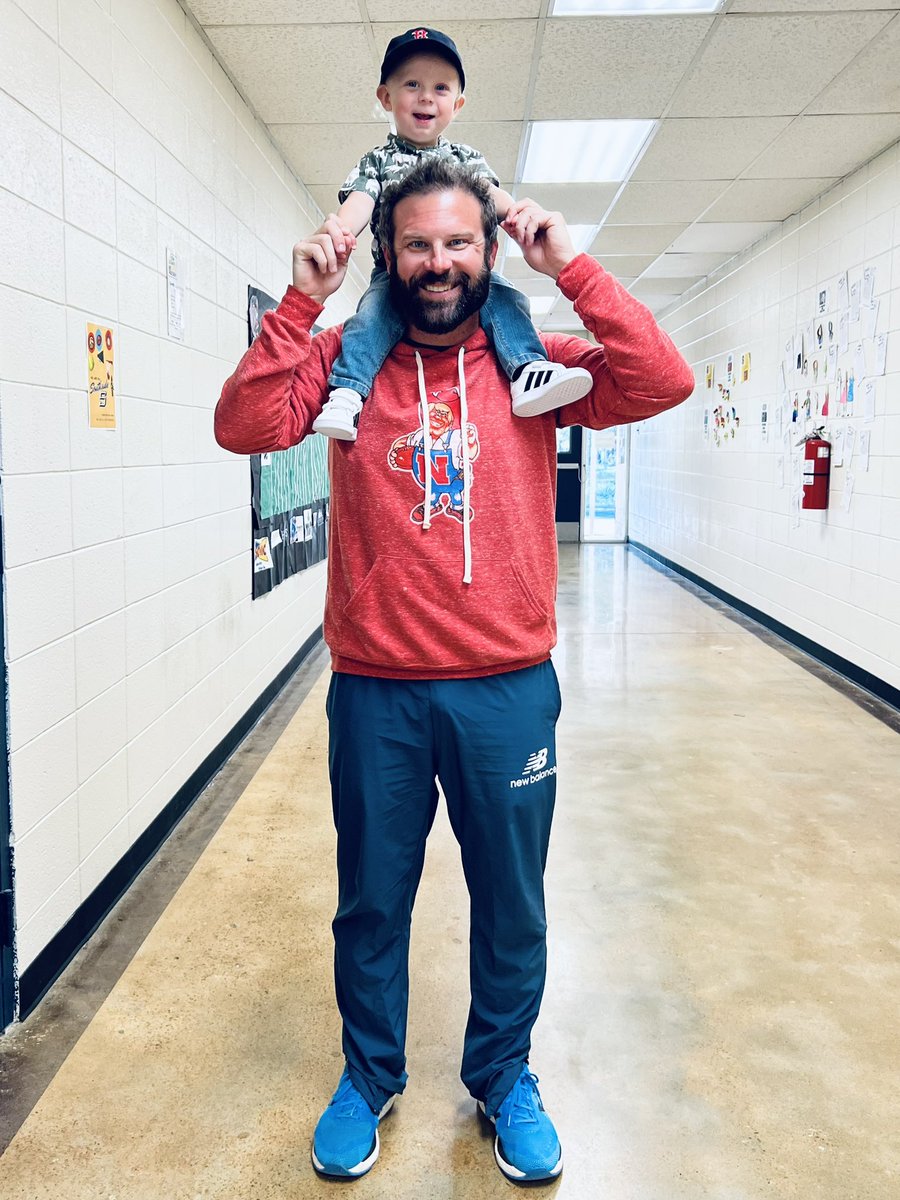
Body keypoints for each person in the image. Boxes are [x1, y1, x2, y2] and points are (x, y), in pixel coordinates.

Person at [214, 157, 694, 1184]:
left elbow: (663, 377)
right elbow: (244, 425)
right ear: (391, 254)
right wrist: (303, 299)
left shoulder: (537, 369)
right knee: (373, 900)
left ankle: (504, 1075)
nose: (441, 263)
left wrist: (571, 264)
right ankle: (369, 1075)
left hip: (506, 689)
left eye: (460, 243)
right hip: (377, 690)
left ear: (489, 251)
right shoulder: (349, 357)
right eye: (421, 245)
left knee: (511, 899)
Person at [310, 26, 592, 442]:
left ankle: (528, 368)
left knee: (505, 295)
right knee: (369, 319)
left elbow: (493, 197)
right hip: (395, 277)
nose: (426, 96)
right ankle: (348, 393)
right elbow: (360, 204)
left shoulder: (465, 159)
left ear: (457, 104)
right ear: (386, 98)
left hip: (467, 277)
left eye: (440, 88)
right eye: (412, 84)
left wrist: (522, 217)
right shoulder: (376, 161)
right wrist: (339, 233)